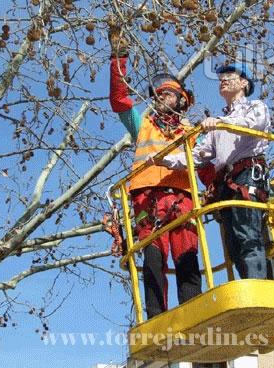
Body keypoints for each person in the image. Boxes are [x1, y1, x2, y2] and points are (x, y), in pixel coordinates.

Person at [108, 35, 201, 319]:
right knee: (152, 261)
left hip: (182, 200)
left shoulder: (192, 132)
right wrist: (118, 60)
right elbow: (120, 100)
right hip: (147, 201)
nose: (161, 97)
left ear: (181, 100)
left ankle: (193, 318)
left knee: (187, 260)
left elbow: (207, 166)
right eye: (158, 94)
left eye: (168, 94)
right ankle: (157, 318)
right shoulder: (143, 125)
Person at [158, 63, 271, 280]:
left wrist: (220, 122)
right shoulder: (217, 124)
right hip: (227, 182)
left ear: (244, 83)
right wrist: (166, 161)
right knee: (234, 243)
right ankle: (250, 284)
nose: (224, 80)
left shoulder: (255, 107)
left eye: (230, 76)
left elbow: (253, 123)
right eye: (221, 78)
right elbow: (198, 155)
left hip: (249, 174)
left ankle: (260, 285)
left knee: (247, 234)